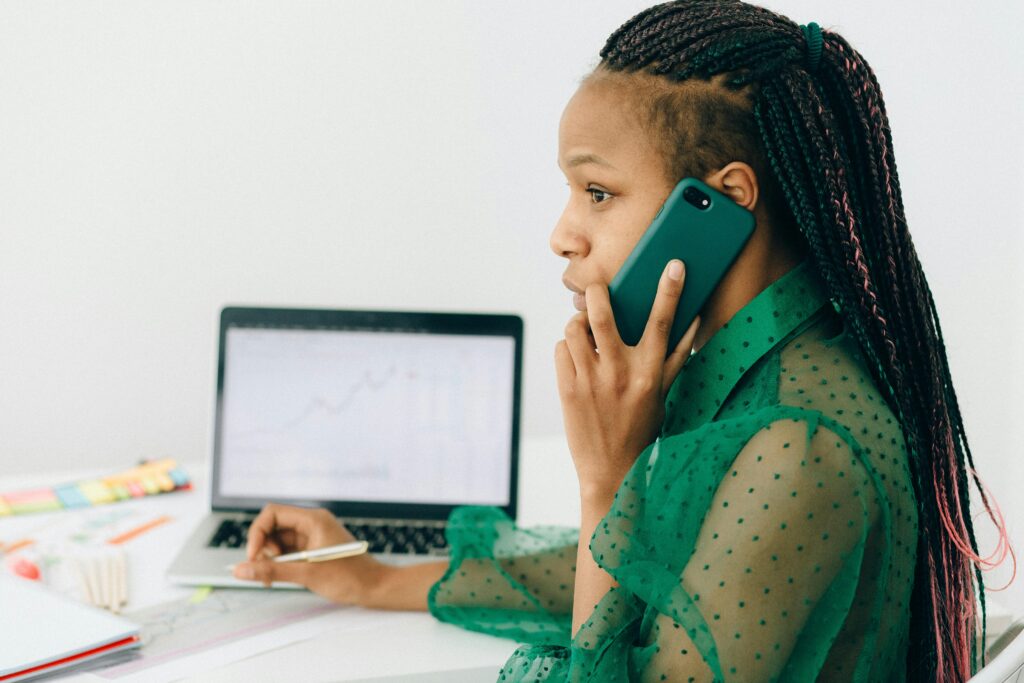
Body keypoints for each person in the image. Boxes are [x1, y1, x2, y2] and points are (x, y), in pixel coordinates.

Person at [231, 1, 1014, 680]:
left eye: (597, 192)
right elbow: (654, 566)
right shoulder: (744, 365)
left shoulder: (794, 445)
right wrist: (372, 579)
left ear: (720, 201)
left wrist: (605, 477)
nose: (562, 234)